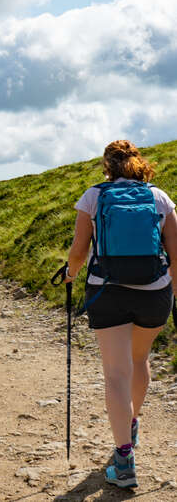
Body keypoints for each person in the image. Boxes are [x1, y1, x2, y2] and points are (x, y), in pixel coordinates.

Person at [65, 139, 177, 489]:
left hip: (106, 290)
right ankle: (132, 422)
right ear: (138, 164)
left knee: (115, 373)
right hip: (154, 292)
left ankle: (124, 461)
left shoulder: (93, 196)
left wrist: (68, 275)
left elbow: (79, 251)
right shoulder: (160, 198)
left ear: (107, 166)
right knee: (140, 358)